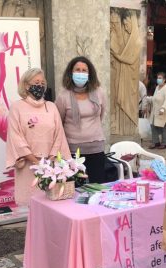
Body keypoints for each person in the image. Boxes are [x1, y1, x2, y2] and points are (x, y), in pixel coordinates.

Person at [6, 68, 70, 206]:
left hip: (51, 165)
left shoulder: (51, 107)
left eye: (42, 82)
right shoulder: (16, 107)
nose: (40, 85)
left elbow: (59, 134)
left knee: (52, 205)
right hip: (28, 166)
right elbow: (16, 138)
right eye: (36, 82)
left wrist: (50, 159)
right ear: (26, 85)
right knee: (32, 205)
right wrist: (36, 162)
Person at [55, 56, 107, 183]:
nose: (81, 73)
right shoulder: (63, 96)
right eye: (77, 70)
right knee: (75, 190)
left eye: (84, 70)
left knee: (98, 187)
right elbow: (59, 122)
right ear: (71, 73)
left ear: (90, 74)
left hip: (96, 148)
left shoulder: (99, 92)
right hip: (73, 151)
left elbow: (100, 115)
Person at [148, 72, 166, 149]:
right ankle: (156, 142)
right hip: (155, 110)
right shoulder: (157, 87)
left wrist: (163, 108)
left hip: (163, 111)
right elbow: (155, 97)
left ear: (164, 79)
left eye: (160, 78)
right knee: (153, 125)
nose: (158, 79)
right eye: (158, 78)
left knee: (163, 126)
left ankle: (164, 143)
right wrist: (149, 99)